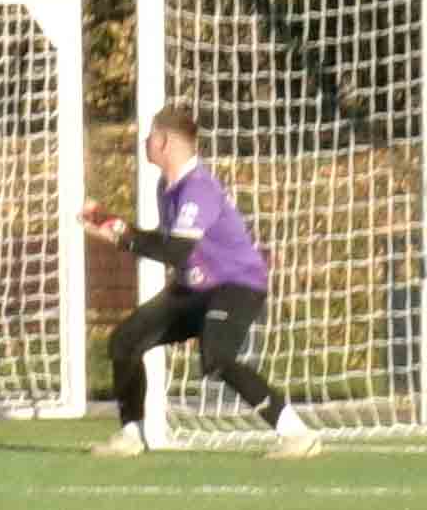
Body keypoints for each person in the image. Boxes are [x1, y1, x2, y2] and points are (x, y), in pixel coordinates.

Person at [80, 102, 321, 459]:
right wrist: (115, 226)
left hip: (236, 285)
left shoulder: (198, 188)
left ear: (163, 142)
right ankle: (132, 434)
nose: (144, 143)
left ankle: (297, 434)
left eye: (149, 137)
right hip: (195, 288)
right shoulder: (167, 185)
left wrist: (123, 239)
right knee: (125, 341)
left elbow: (176, 251)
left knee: (217, 357)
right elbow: (168, 243)